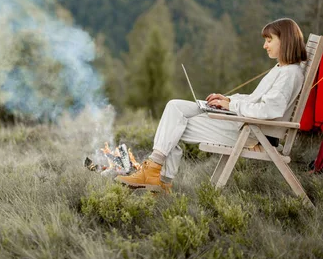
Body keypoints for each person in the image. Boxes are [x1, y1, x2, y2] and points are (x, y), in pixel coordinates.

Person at [116, 18, 308, 192]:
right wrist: (227, 100)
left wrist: (231, 107)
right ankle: (159, 177)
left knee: (173, 124)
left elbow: (268, 110)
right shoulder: (282, 68)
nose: (264, 45)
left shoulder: (289, 75)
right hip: (243, 124)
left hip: (250, 133)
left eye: (269, 40)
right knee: (174, 107)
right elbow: (254, 99)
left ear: (285, 40)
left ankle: (159, 177)